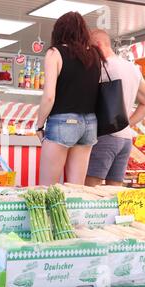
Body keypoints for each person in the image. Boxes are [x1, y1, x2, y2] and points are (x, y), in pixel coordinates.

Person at [35, 12, 104, 186]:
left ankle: (49, 215)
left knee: (47, 188)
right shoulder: (95, 55)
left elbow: (49, 97)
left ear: (59, 31)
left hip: (62, 122)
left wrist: (39, 124)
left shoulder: (55, 53)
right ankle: (74, 214)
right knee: (76, 189)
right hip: (89, 124)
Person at [85, 29, 145, 187]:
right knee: (114, 192)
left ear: (98, 44)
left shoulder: (101, 67)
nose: (87, 52)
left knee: (90, 188)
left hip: (104, 136)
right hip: (125, 139)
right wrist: (126, 123)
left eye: (88, 48)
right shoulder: (132, 68)